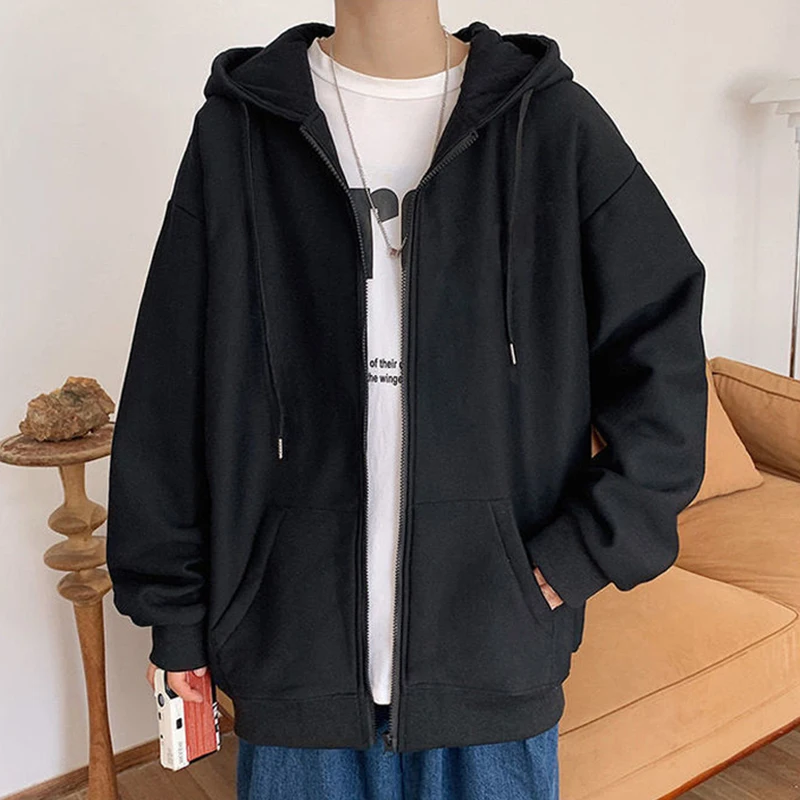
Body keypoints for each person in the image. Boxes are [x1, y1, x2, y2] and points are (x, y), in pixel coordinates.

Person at [106, 2, 709, 798]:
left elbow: (663, 358)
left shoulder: (552, 125)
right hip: (293, 659)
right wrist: (175, 615)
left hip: (494, 656)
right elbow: (167, 393)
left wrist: (581, 553)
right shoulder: (237, 134)